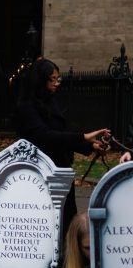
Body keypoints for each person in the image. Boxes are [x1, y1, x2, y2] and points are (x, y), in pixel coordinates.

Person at [12, 58, 111, 247]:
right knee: (48, 227)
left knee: (67, 225)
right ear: (40, 81)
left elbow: (62, 136)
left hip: (61, 173)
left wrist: (91, 146)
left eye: (58, 79)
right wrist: (83, 137)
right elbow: (45, 136)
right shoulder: (26, 107)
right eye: (52, 80)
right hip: (41, 177)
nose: (56, 84)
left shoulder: (51, 102)